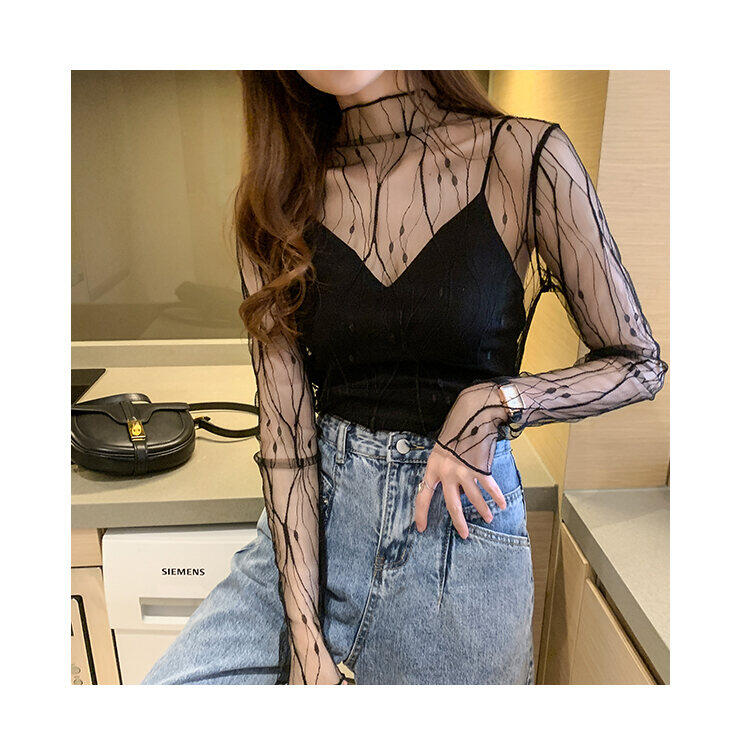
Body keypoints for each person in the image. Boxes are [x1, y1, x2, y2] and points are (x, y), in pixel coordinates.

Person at [143, 70, 668, 685]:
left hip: (457, 539)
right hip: (314, 534)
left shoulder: (522, 158)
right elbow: (287, 440)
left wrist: (495, 402)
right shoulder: (276, 202)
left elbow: (638, 363)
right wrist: (306, 641)